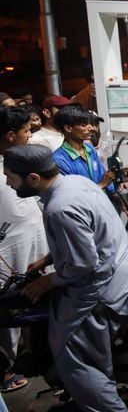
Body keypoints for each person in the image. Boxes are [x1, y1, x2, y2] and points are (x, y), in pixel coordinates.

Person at [5, 144, 128, 412]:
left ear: (34, 177)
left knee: (68, 355)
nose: (8, 183)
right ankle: (97, 393)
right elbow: (83, 236)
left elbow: (82, 264)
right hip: (120, 264)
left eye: (10, 177)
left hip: (98, 286)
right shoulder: (76, 183)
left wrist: (45, 281)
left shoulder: (58, 208)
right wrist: (47, 260)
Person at [0, 108, 47, 394]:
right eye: (26, 132)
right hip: (7, 247)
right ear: (10, 136)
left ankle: (36, 354)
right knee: (7, 305)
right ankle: (7, 365)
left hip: (36, 241)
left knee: (35, 295)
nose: (29, 137)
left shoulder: (23, 160)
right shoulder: (9, 166)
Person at [51, 105, 128, 220]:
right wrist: (101, 185)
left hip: (100, 208)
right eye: (84, 125)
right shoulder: (59, 160)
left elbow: (103, 176)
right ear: (68, 128)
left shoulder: (89, 149)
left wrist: (121, 201)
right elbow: (71, 196)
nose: (92, 129)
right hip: (81, 215)